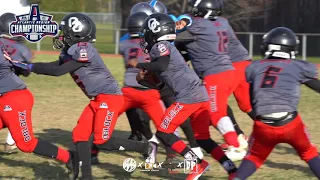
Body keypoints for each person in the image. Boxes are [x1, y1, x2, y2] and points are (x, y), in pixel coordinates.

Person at [128, 13, 237, 180]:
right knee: (203, 139)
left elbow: (162, 65)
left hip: (189, 96)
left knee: (164, 132)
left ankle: (197, 164)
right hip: (199, 94)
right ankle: (231, 169)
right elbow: (164, 84)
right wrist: (146, 81)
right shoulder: (166, 49)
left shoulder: (161, 46)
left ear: (156, 31)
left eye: (146, 33)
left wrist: (138, 64)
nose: (144, 37)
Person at [27, 13, 123, 179]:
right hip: (98, 99)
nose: (61, 36)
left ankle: (146, 148)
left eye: (64, 33)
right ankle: (86, 176)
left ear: (77, 33)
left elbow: (58, 71)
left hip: (109, 97)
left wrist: (29, 67)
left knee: (102, 141)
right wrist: (29, 66)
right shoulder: (74, 50)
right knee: (80, 134)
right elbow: (55, 66)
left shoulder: (84, 49)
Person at [234, 27, 320, 179]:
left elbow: (253, 95)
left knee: (254, 157)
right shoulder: (297, 66)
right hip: (290, 123)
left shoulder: (254, 67)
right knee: (309, 153)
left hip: (263, 125)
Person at [0, 14, 79, 180]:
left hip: (14, 99)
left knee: (26, 144)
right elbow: (24, 70)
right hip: (6, 97)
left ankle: (69, 158)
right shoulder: (13, 46)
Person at [175, 0, 246, 161]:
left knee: (216, 113)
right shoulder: (222, 22)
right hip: (227, 71)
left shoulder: (197, 24)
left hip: (215, 75)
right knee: (203, 110)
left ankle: (235, 145)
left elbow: (183, 24)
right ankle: (201, 142)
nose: (192, 11)